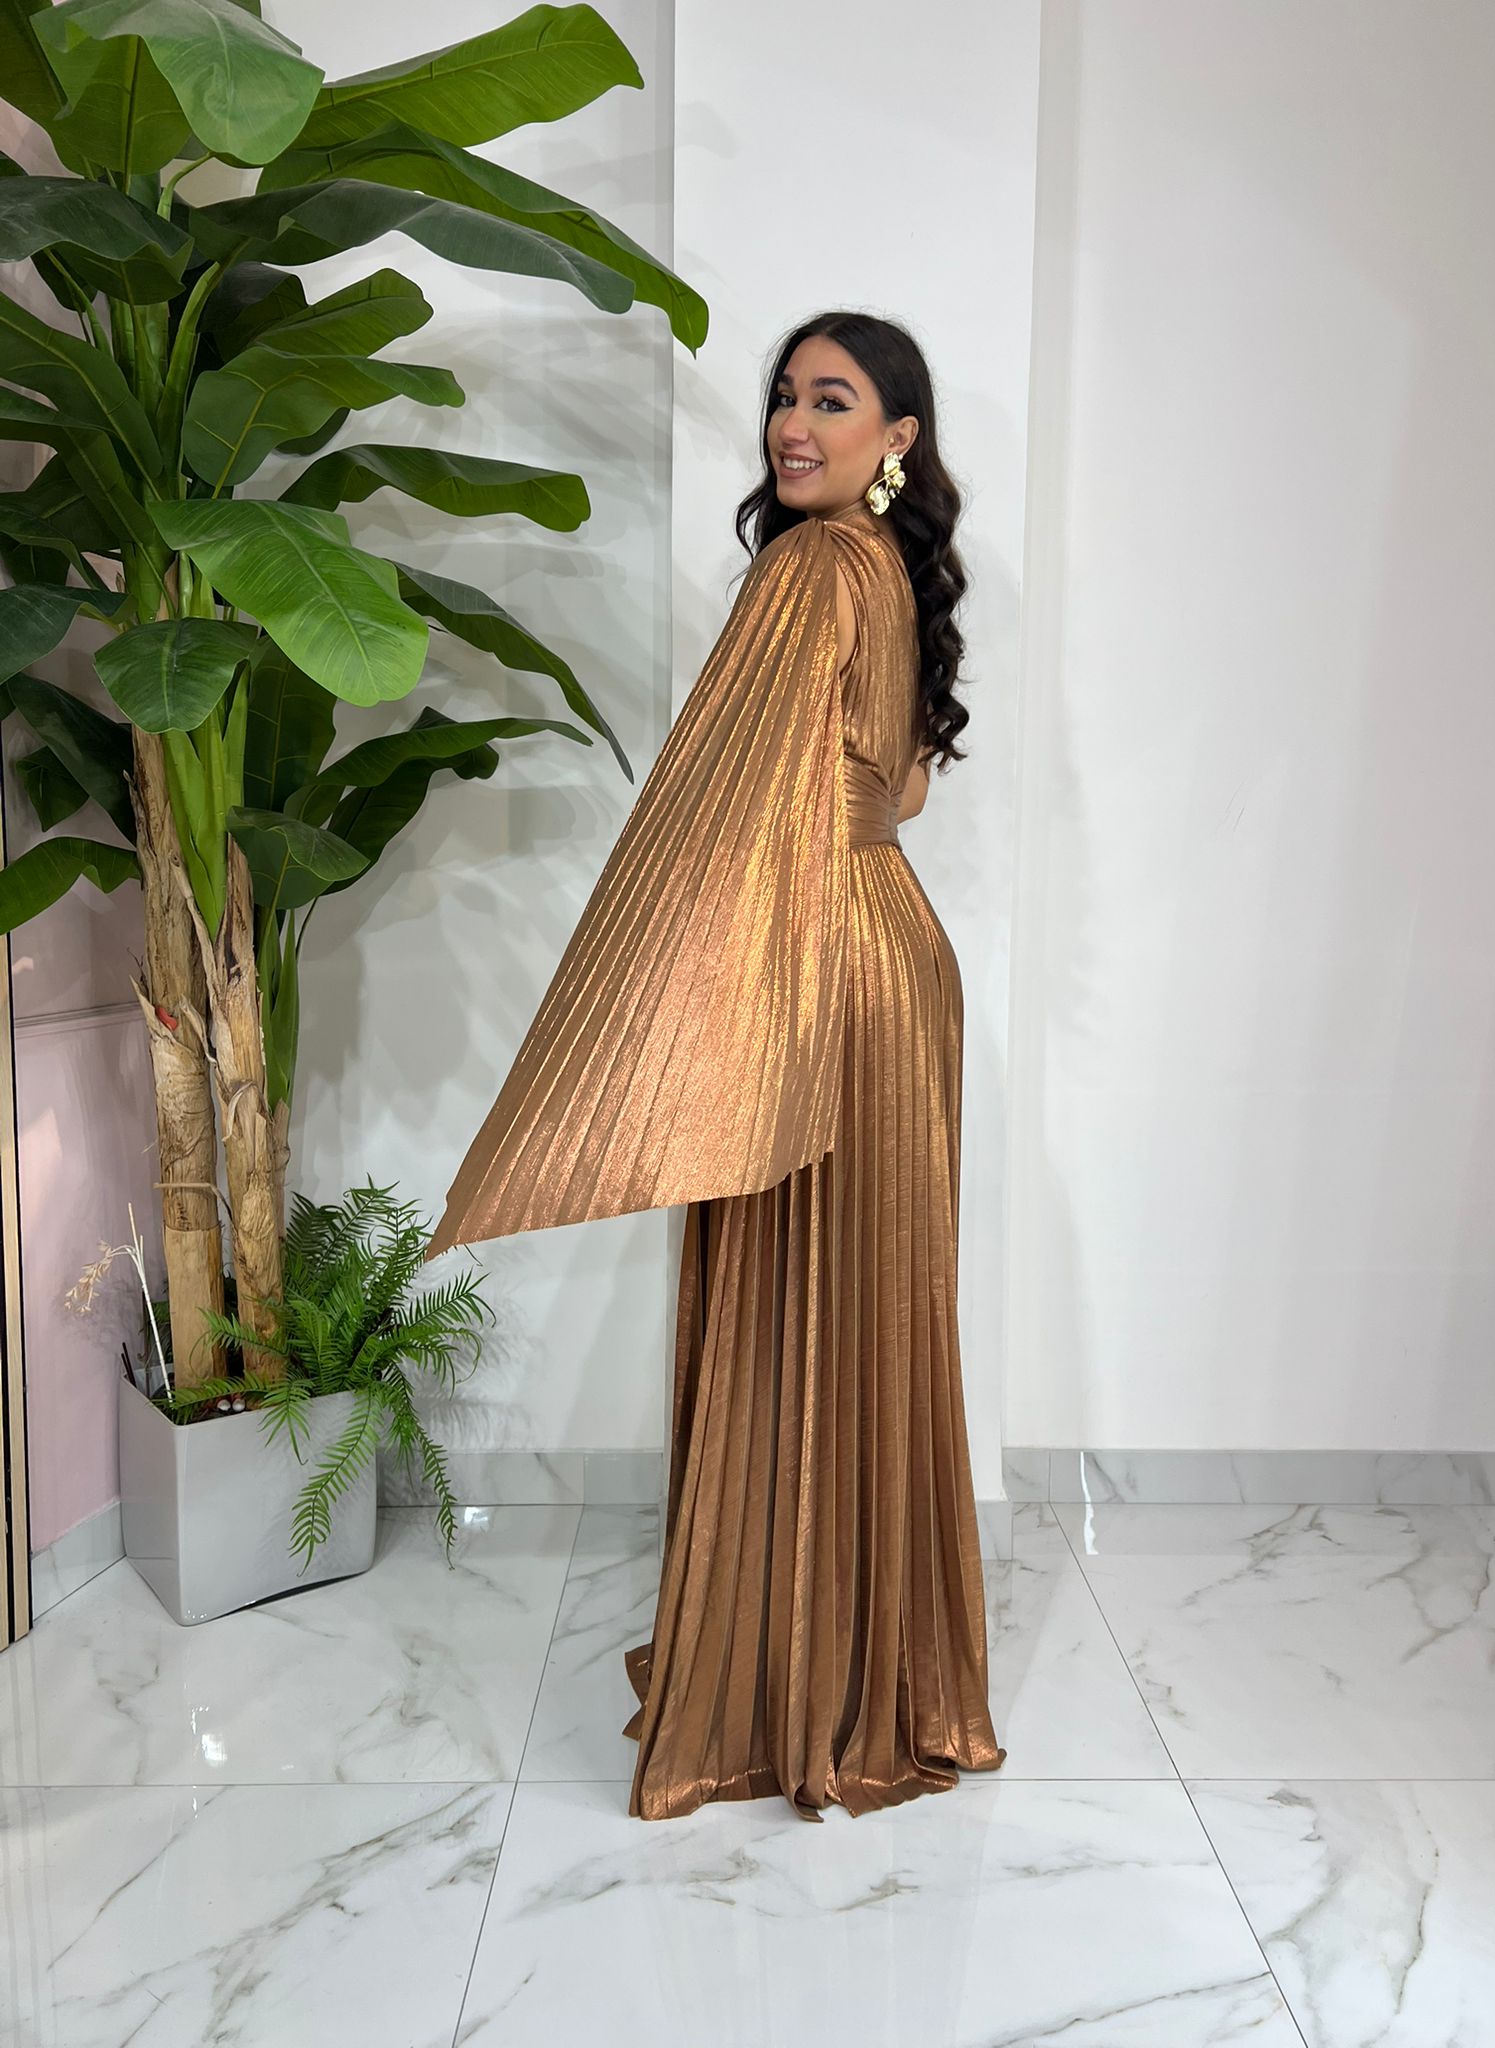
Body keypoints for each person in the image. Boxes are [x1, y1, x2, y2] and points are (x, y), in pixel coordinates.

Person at [422, 311, 1006, 1820]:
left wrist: (641, 1003)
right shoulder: (886, 572)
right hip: (894, 960)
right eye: (784, 397)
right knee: (867, 1314)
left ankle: (781, 1692)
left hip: (820, 973)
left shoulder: (808, 569)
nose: (793, 425)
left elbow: (716, 807)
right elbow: (902, 796)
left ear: (897, 439)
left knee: (794, 1313)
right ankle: (868, 1679)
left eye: (833, 400)